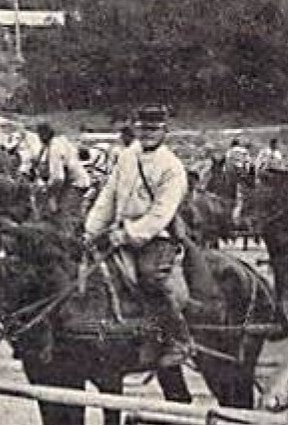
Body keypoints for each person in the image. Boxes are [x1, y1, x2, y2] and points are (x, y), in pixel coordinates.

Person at [84, 104, 195, 368]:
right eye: (143, 129)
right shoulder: (126, 156)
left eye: (154, 130)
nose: (147, 134)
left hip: (156, 237)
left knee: (150, 277)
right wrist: (90, 230)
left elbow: (161, 213)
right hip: (118, 230)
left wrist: (130, 234)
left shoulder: (172, 167)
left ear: (164, 131)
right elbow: (108, 196)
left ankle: (178, 339)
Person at [34, 123, 91, 230]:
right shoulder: (58, 142)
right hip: (73, 182)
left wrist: (50, 194)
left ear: (45, 135)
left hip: (75, 183)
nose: (40, 138)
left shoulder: (55, 148)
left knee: (65, 214)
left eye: (40, 135)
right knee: (67, 212)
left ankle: (71, 238)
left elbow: (58, 177)